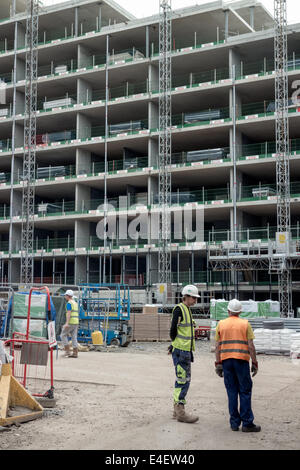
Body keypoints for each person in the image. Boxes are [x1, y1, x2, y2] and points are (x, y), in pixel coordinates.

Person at [215, 298, 260, 432]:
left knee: (232, 392)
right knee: (245, 391)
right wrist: (255, 362)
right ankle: (247, 423)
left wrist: (218, 363)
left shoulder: (221, 324)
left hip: (227, 361)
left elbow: (217, 346)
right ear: (240, 311)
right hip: (242, 361)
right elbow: (250, 346)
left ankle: (234, 423)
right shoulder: (245, 324)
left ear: (228, 311)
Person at [169, 284, 200, 423]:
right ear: (186, 296)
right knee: (183, 380)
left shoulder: (187, 310)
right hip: (181, 351)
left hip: (184, 350)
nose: (195, 300)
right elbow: (173, 330)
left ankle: (176, 410)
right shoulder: (179, 309)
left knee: (181, 379)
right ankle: (180, 411)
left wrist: (173, 345)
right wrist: (175, 344)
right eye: (193, 297)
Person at [61, 289, 79, 358]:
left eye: (65, 295)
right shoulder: (75, 303)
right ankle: (75, 352)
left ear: (68, 296)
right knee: (74, 336)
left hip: (71, 322)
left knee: (63, 335)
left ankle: (67, 351)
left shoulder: (69, 303)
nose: (65, 296)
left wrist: (67, 323)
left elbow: (69, 313)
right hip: (76, 322)